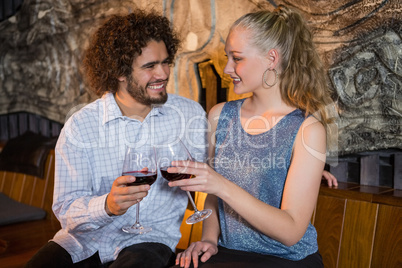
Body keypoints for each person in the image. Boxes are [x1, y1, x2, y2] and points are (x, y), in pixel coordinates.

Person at [26, 9, 208, 268]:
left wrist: (199, 195)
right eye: (150, 66)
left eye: (166, 62)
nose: (164, 73)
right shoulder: (81, 125)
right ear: (120, 72)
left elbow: (210, 182)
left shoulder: (189, 114)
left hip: (149, 240)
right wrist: (108, 205)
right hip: (81, 242)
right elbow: (65, 209)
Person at [169, 5, 336, 268]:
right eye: (228, 58)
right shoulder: (219, 116)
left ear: (271, 59)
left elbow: (291, 232)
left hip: (286, 258)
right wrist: (209, 238)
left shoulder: (307, 129)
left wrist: (220, 184)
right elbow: (212, 196)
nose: (227, 69)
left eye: (237, 58)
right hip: (227, 251)